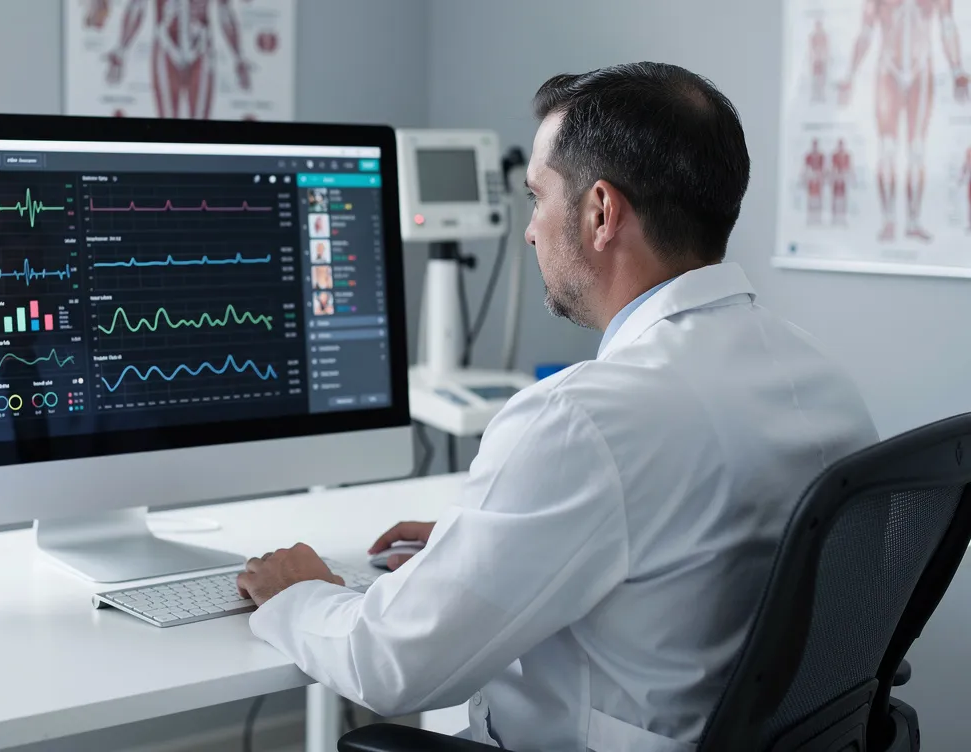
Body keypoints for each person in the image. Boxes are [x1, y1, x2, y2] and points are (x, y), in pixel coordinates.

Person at [236, 62, 878, 751]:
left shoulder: (586, 419)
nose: (530, 231)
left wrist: (298, 592)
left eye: (537, 197)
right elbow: (690, 544)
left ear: (601, 212)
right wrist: (493, 540)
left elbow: (389, 666)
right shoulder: (820, 376)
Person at [838, 0, 969, 242]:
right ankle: (888, 219)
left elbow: (947, 24)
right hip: (889, 70)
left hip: (922, 69)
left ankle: (913, 222)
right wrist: (849, 75)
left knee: (917, 150)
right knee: (887, 149)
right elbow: (866, 29)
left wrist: (957, 70)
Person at [103, 0, 252, 119]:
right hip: (165, 46)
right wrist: (120, 51)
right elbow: (137, 5)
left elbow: (224, 10)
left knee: (203, 132)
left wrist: (238, 57)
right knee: (166, 128)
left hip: (201, 48)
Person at [803, 138, 828, 224]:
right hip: (811, 178)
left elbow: (824, 168)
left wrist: (821, 176)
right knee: (811, 198)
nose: (815, 146)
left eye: (816, 144)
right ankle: (810, 218)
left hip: (819, 178)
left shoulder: (821, 156)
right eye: (814, 144)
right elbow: (806, 168)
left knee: (818, 199)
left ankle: (818, 218)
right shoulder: (808, 156)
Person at [831, 138, 854, 224]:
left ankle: (843, 217)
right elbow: (833, 167)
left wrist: (847, 175)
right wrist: (836, 175)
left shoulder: (847, 155)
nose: (841, 147)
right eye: (839, 145)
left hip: (843, 178)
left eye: (842, 145)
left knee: (843, 198)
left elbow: (849, 167)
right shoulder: (834, 155)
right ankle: (835, 217)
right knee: (835, 197)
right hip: (836, 178)